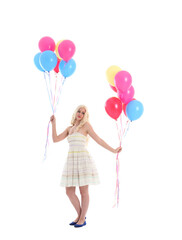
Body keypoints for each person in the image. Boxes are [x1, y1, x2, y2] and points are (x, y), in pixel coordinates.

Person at [50, 105, 122, 228]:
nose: (80, 114)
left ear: (85, 116)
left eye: (83, 113)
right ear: (75, 112)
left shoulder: (86, 126)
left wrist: (113, 150)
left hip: (83, 160)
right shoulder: (69, 129)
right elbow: (55, 139)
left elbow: (98, 140)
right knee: (69, 191)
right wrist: (54, 123)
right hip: (71, 161)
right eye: (79, 111)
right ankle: (81, 215)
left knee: (84, 191)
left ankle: (82, 218)